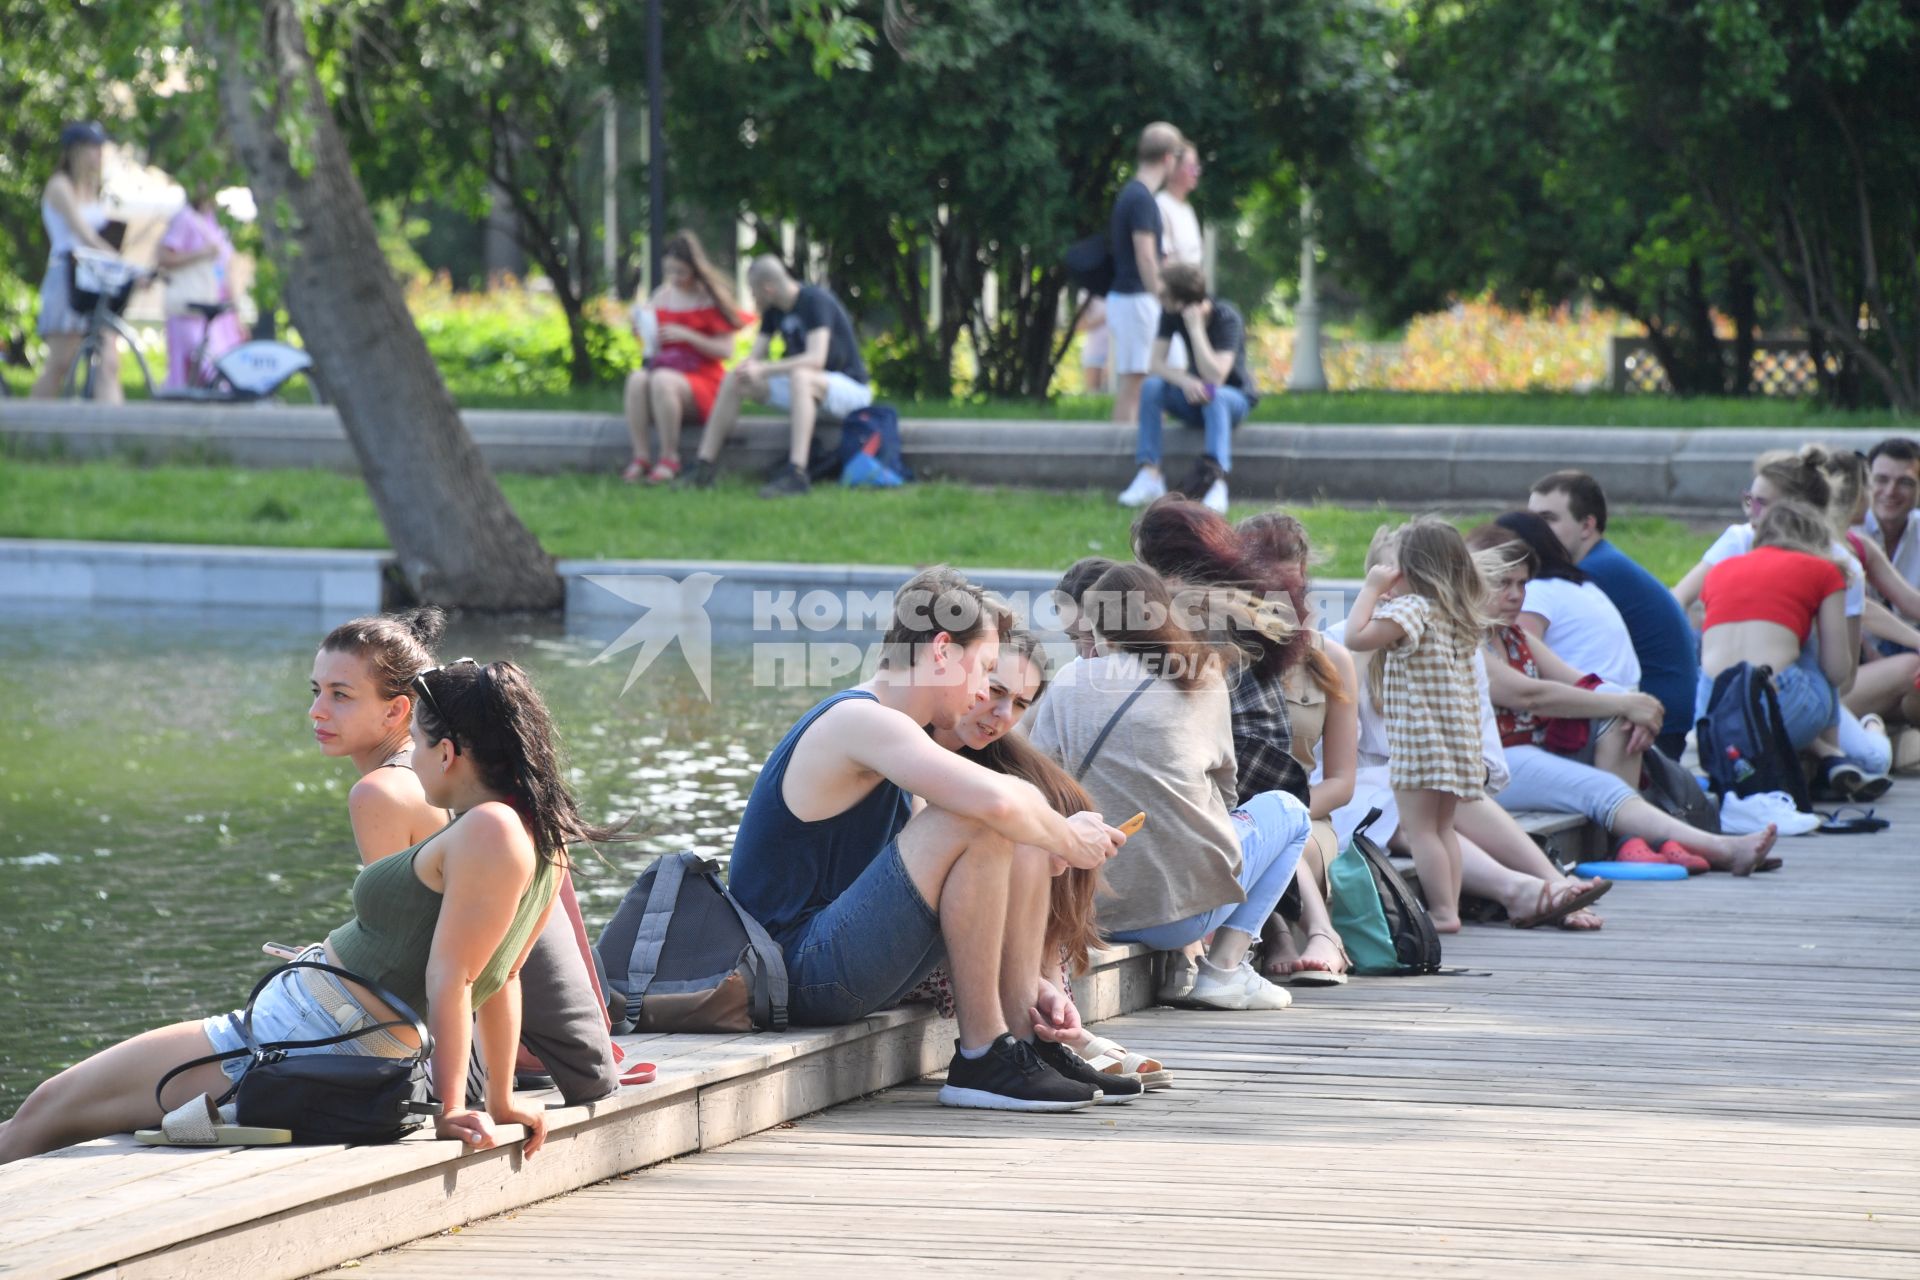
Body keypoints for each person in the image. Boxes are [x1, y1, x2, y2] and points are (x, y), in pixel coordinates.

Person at [0, 659, 613, 1164]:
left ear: (448, 752)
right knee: (56, 1115)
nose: (412, 758)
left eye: (417, 744)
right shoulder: (538, 836)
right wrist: (500, 1099)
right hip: (316, 1033)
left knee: (44, 1112)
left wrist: (455, 1107)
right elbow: (499, 975)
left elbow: (455, 978)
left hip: (295, 1038)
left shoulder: (487, 828)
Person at [726, 567, 1127, 1112]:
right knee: (983, 814)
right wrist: (1070, 839)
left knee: (1017, 834)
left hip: (839, 963)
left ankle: (1023, 1039)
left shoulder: (901, 739)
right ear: (942, 652)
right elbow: (998, 804)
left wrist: (1036, 985)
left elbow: (961, 881)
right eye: (985, 670)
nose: (986, 692)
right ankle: (982, 1057)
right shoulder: (860, 721)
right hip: (794, 972)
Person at [310, 611, 620, 1104]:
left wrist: (453, 1109)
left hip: (490, 1053)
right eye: (316, 691)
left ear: (399, 712)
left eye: (340, 695)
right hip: (556, 1053)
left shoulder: (384, 793)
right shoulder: (501, 794)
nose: (317, 711)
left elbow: (406, 956)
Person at [1027, 562, 1313, 1011]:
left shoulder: (1066, 683)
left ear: (1099, 625)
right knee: (1289, 812)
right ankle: (1223, 970)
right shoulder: (1201, 679)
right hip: (1184, 916)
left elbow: (1042, 781)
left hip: (1090, 909)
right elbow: (1227, 792)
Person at [1469, 524, 1782, 875]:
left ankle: (1633, 843)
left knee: (1619, 721)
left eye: (1523, 583)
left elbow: (1582, 683)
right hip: (1490, 768)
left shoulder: (1512, 635)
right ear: (1472, 582)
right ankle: (1722, 848)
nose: (1516, 595)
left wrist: (1636, 706)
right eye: (1503, 583)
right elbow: (1529, 695)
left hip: (1528, 754)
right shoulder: (1465, 638)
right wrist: (1624, 703)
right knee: (1600, 783)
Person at [924, 630, 1148, 1100]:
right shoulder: (908, 748)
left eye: (1022, 704)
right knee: (1018, 829)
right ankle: (1007, 1046)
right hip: (916, 952)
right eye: (995, 690)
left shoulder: (1004, 768)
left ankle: (1034, 1041)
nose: (1003, 715)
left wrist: (1042, 985)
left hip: (992, 962)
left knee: (1040, 822)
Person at [1673, 448, 1892, 789]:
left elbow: (1843, 681)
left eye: (1760, 503)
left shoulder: (1841, 564)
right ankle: (1827, 752)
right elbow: (1837, 669)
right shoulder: (1745, 540)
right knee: (1799, 633)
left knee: (1871, 759)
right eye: (1749, 499)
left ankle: (1859, 731)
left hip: (1723, 707)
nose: (1750, 512)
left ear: (1794, 508)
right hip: (1780, 694)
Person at [1342, 519, 1488, 933]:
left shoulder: (1412, 609)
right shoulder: (1456, 612)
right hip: (1455, 744)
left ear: (1411, 568)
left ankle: (1442, 912)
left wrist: (1371, 589)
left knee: (1420, 831)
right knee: (1444, 829)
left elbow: (1356, 637)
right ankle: (1451, 907)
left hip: (1419, 746)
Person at [1528, 470, 1699, 758]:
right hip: (1657, 713)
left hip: (1649, 724)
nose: (1534, 531)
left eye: (1548, 519)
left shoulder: (1590, 575)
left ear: (1587, 526)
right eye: (1533, 520)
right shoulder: (1602, 563)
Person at [679, 256, 872, 498]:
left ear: (768, 288)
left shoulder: (814, 301)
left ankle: (797, 473)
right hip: (809, 389)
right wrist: (747, 368)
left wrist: (764, 369)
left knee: (802, 376)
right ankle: (704, 467)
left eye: (753, 291)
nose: (753, 298)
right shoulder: (773, 311)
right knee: (736, 378)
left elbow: (816, 359)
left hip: (849, 390)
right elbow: (754, 359)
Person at [1699, 499, 1856, 756]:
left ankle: (1818, 754)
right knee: (1808, 643)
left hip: (1715, 713)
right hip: (1783, 707)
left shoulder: (1719, 571)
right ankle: (1832, 755)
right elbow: (1837, 670)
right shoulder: (1824, 570)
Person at [1115, 263, 1257, 515]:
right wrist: (1185, 381)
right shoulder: (1170, 314)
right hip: (1196, 395)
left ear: (1181, 300)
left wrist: (1196, 329)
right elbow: (1155, 364)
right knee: (1152, 387)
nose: (1158, 299)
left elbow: (1216, 377)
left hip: (1232, 398)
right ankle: (1150, 474)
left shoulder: (1227, 317)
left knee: (1215, 396)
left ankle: (1215, 481)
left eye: (1163, 294)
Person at [621, 230, 750, 485]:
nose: (675, 279)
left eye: (681, 272)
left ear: (695, 269)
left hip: (702, 379)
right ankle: (641, 456)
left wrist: (688, 335)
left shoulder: (708, 298)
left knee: (661, 380)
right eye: (670, 272)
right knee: (637, 379)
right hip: (666, 368)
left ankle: (670, 457)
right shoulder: (662, 296)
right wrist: (641, 329)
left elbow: (726, 351)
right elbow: (652, 346)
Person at [1493, 510, 1641, 689]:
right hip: (1620, 695)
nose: (1516, 594)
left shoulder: (1535, 591)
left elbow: (1523, 672)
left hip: (1592, 704)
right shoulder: (1580, 585)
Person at [31, 122, 121, 403]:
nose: (98, 155)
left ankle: (116, 433)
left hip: (94, 280)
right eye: (93, 148)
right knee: (60, 363)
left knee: (109, 361)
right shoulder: (60, 186)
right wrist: (122, 264)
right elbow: (84, 234)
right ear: (76, 151)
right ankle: (26, 427)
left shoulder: (92, 189)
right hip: (66, 277)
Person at [1104, 122, 1184, 426]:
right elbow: (1147, 257)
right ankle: (1121, 459)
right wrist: (1165, 300)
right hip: (1138, 300)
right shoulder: (1141, 199)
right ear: (1167, 158)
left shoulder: (1133, 195)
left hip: (1134, 299)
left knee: (1159, 379)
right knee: (1135, 384)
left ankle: (1152, 455)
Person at [156, 183, 245, 392]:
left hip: (212, 301)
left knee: (215, 362)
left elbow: (224, 269)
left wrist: (235, 308)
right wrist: (202, 254)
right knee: (196, 363)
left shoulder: (214, 220)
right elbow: (164, 256)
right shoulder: (185, 218)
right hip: (188, 304)